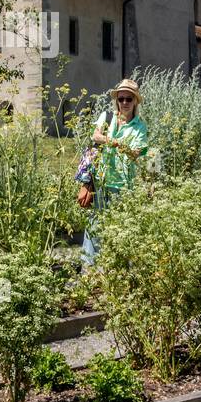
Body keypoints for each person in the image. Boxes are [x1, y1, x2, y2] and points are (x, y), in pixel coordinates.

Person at [80, 78, 149, 265]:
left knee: (121, 229)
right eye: (121, 99)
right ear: (116, 101)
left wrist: (110, 141)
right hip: (101, 181)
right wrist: (116, 142)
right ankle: (89, 272)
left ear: (135, 101)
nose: (124, 103)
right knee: (94, 228)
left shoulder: (140, 126)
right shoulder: (107, 117)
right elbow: (95, 136)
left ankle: (119, 272)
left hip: (124, 185)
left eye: (129, 99)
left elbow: (136, 152)